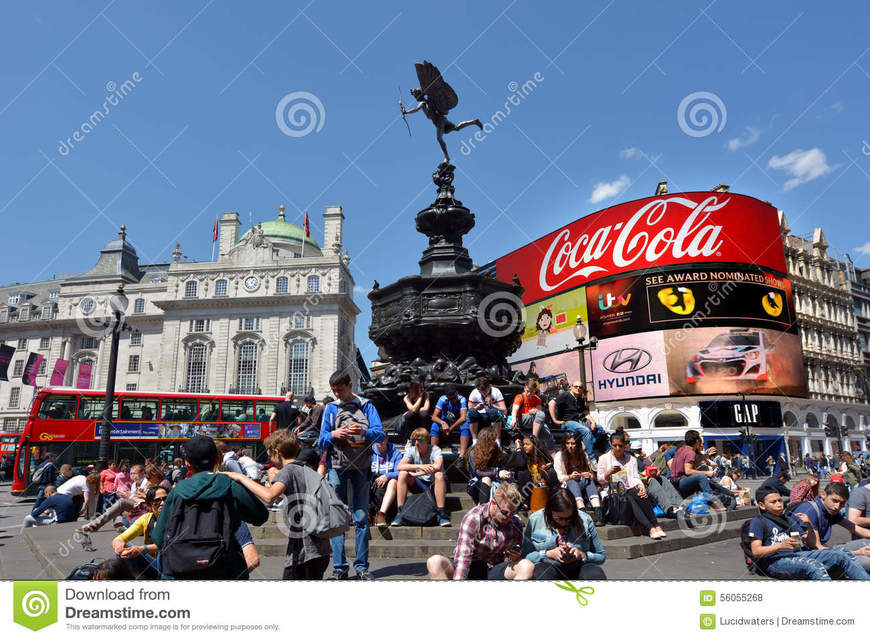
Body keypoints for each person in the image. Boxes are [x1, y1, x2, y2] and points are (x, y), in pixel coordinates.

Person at [151, 435, 269, 580]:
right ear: (217, 459)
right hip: (225, 569)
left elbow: (158, 537)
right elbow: (261, 516)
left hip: (181, 570)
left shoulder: (177, 491)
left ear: (187, 464)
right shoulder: (230, 485)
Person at [222, 431, 331, 580]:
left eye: (270, 454)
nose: (270, 458)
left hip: (304, 552)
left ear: (277, 453)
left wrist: (240, 477)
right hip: (320, 548)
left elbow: (269, 496)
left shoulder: (288, 470)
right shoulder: (306, 469)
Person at [317, 369, 385, 581]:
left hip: (362, 468)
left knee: (362, 518)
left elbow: (380, 433)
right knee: (338, 519)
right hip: (337, 468)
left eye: (340, 390)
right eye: (334, 391)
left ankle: (362, 567)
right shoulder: (329, 408)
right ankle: (339, 567)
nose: (337, 394)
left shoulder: (367, 405)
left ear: (350, 386)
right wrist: (334, 434)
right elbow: (321, 441)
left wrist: (363, 432)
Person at [747, 486, 868, 580]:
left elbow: (809, 542)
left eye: (780, 500)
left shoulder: (787, 519)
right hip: (775, 562)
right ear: (762, 505)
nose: (779, 504)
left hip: (795, 556)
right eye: (773, 502)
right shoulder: (758, 522)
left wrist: (809, 525)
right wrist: (780, 545)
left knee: (843, 554)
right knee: (813, 565)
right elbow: (756, 551)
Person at [426, 483, 534, 580]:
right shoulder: (474, 518)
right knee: (435, 562)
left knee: (526, 566)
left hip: (492, 568)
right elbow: (464, 555)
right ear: (494, 503)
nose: (509, 517)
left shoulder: (515, 523)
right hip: (469, 563)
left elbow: (516, 556)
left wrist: (515, 555)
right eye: (505, 512)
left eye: (513, 512)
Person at [522, 488, 606, 580]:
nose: (564, 522)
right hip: (548, 565)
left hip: (578, 566)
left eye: (569, 518)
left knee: (594, 574)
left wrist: (583, 555)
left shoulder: (585, 519)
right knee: (542, 573)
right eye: (558, 518)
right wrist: (547, 554)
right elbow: (525, 556)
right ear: (549, 511)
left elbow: (601, 556)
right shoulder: (535, 519)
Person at [597, 431, 665, 539]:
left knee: (641, 494)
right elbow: (600, 479)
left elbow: (634, 477)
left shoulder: (631, 459)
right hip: (614, 491)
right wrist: (609, 472)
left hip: (629, 487)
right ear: (611, 445)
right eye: (615, 445)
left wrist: (641, 486)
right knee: (630, 499)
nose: (618, 448)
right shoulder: (603, 458)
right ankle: (650, 528)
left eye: (620, 445)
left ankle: (655, 524)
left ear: (625, 446)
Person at [792, 482, 870, 574]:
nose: (837, 507)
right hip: (806, 556)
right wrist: (858, 552)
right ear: (823, 494)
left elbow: (854, 528)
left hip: (822, 550)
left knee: (867, 542)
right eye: (835, 501)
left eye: (842, 504)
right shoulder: (810, 510)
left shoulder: (830, 510)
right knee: (866, 562)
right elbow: (818, 548)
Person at [392, 428, 450, 527]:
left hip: (434, 484)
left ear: (427, 440)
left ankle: (441, 513)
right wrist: (420, 466)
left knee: (439, 474)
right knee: (402, 474)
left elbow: (437, 466)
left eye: (419, 440)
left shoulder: (435, 449)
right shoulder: (411, 450)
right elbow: (399, 466)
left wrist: (416, 474)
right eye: (414, 441)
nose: (416, 443)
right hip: (420, 484)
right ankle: (400, 512)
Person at [111, 486, 168, 579]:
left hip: (170, 565)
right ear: (149, 505)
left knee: (163, 552)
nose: (162, 503)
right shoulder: (146, 518)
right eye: (157, 501)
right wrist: (119, 545)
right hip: (154, 565)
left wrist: (143, 549)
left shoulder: (176, 517)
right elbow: (119, 538)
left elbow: (170, 545)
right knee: (125, 549)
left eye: (166, 499)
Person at [553, 432, 601, 520]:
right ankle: (582, 511)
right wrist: (570, 476)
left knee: (589, 480)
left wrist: (588, 474)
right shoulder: (559, 456)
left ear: (578, 444)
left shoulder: (583, 455)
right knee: (572, 482)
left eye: (573, 443)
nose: (570, 446)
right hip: (566, 487)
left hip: (582, 485)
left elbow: (591, 473)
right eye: (567, 443)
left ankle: (598, 511)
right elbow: (559, 477)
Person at [548, 381, 598, 461]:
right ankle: (592, 459)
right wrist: (555, 420)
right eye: (576, 386)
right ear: (571, 387)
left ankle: (589, 446)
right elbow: (551, 403)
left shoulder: (580, 399)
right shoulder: (565, 395)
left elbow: (586, 413)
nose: (578, 388)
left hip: (577, 423)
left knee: (600, 429)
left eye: (580, 387)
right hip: (567, 422)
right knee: (586, 431)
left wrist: (593, 422)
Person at [465, 427, 513, 504]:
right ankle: (483, 509)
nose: (495, 442)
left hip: (495, 481)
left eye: (495, 439)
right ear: (485, 441)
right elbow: (477, 472)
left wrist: (507, 472)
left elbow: (503, 465)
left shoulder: (496, 450)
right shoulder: (473, 452)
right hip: (477, 485)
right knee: (486, 479)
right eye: (492, 440)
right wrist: (497, 473)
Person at [670, 430, 720, 500]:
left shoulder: (682, 449)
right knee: (701, 477)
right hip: (679, 482)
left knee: (703, 478)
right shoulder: (690, 452)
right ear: (697, 441)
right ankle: (712, 502)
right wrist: (707, 473)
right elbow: (688, 471)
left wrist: (705, 455)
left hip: (674, 480)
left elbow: (692, 464)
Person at [370, 435, 403, 526]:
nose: (380, 442)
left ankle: (381, 514)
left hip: (389, 482)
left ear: (387, 439)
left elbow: (400, 472)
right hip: (373, 481)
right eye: (377, 439)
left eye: (382, 439)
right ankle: (367, 514)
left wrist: (387, 476)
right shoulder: (370, 452)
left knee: (393, 482)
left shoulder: (396, 453)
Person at [430, 383, 470, 456]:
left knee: (465, 425)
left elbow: (463, 418)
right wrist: (442, 423)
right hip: (446, 423)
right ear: (446, 396)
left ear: (457, 393)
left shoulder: (462, 399)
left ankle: (462, 456)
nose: (453, 401)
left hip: (457, 424)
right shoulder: (442, 399)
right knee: (435, 426)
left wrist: (450, 429)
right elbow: (434, 417)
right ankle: (434, 455)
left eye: (454, 398)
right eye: (450, 399)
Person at [467, 376, 507, 446]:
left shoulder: (496, 391)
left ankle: (497, 440)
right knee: (472, 412)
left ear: (489, 387)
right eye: (481, 392)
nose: (483, 394)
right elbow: (470, 408)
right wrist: (476, 408)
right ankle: (474, 440)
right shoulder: (474, 392)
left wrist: (492, 405)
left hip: (493, 416)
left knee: (493, 411)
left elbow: (504, 410)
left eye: (485, 391)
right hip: (480, 416)